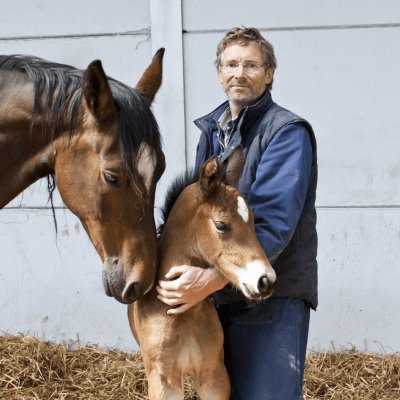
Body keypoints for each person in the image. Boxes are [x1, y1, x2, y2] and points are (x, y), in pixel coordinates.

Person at [156, 27, 318, 400]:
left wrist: (211, 280)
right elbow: (198, 216)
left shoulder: (286, 132)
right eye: (231, 64)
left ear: (269, 73)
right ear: (219, 72)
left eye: (251, 65)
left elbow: (275, 223)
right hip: (219, 296)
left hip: (270, 295)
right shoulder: (212, 133)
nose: (239, 73)